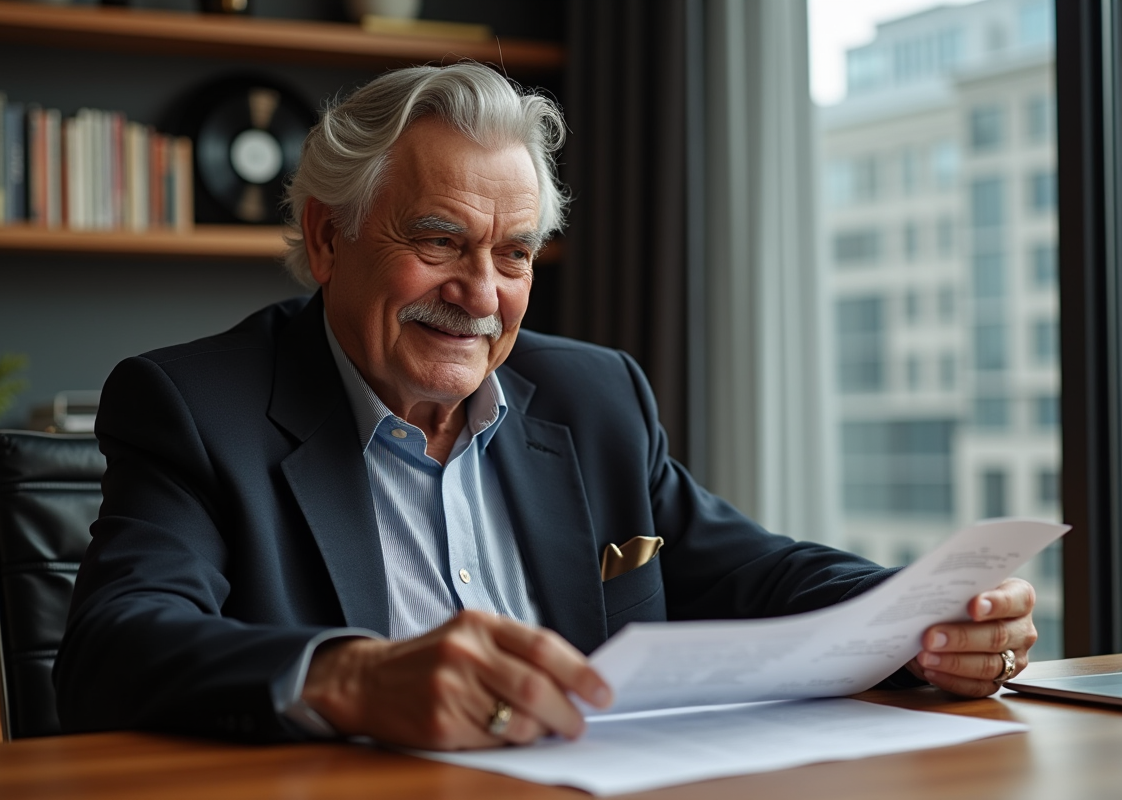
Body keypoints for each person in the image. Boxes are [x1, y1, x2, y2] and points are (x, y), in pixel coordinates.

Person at [53, 63, 1037, 750]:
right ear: (325, 240)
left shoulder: (595, 395)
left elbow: (756, 572)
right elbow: (113, 644)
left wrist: (925, 619)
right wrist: (352, 678)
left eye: (514, 253)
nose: (481, 292)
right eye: (440, 241)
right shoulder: (193, 404)